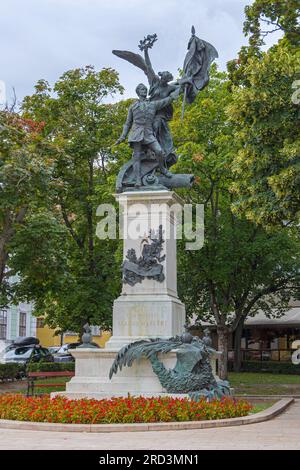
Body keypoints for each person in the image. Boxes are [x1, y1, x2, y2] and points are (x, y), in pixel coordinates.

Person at [115, 83, 181, 188]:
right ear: (138, 92)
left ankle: (163, 169)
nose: (144, 91)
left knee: (159, 151)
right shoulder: (133, 106)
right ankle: (137, 180)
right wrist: (122, 137)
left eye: (145, 89)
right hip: (136, 133)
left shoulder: (153, 104)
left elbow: (169, 99)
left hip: (149, 133)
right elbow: (128, 123)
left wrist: (180, 88)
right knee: (136, 157)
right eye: (142, 89)